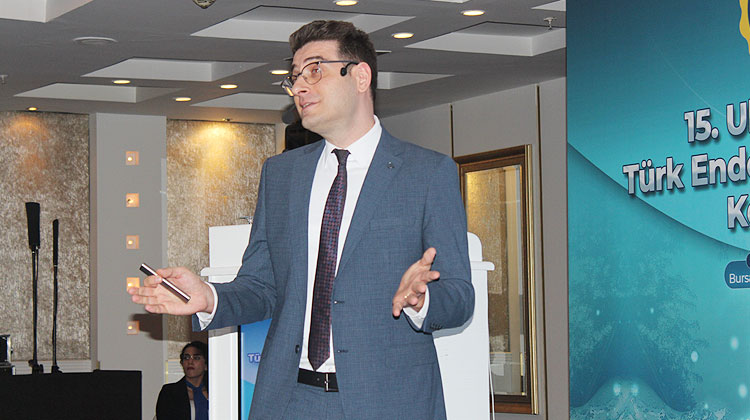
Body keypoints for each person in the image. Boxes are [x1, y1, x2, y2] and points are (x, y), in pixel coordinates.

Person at [129, 20, 474, 420]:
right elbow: (262, 286)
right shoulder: (281, 175)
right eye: (294, 77)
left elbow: (459, 295)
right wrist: (210, 297)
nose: (300, 88)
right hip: (289, 400)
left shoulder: (427, 173)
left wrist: (422, 299)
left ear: (360, 76)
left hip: (388, 402)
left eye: (315, 70)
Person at [156, 341, 209, 420]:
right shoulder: (170, 392)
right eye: (186, 358)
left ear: (206, 365)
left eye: (196, 358)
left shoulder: (215, 392)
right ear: (182, 363)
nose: (190, 362)